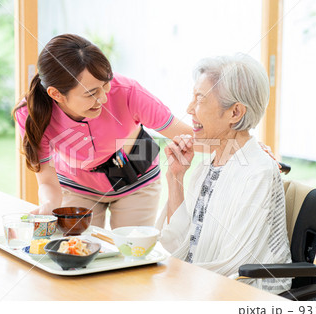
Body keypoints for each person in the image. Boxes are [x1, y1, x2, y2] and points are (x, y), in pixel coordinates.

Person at [13, 34, 191, 228]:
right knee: (79, 248)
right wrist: (49, 205)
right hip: (77, 185)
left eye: (106, 84)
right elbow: (46, 179)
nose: (104, 98)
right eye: (91, 93)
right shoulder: (31, 114)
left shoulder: (127, 91)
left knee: (132, 252)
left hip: (137, 175)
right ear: (56, 94)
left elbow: (190, 136)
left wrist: (225, 135)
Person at [155, 54, 292, 294]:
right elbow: (179, 244)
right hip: (201, 284)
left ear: (235, 113)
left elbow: (235, 267)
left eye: (199, 99)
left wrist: (176, 282)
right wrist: (175, 177)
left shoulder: (257, 172)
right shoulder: (209, 162)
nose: (189, 109)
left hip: (246, 295)